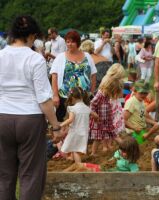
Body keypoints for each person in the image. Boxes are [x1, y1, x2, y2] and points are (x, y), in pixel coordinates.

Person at [0, 15, 63, 200]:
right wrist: (56, 126)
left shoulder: (0, 56)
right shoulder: (35, 59)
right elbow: (44, 98)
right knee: (31, 175)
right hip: (30, 119)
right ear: (31, 35)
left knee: (4, 175)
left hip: (3, 116)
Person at [50, 30, 97, 122]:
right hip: (65, 97)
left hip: (83, 98)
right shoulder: (60, 57)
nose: (70, 44)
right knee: (64, 122)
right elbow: (54, 76)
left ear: (78, 43)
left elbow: (94, 75)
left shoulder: (87, 56)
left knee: (81, 123)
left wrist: (91, 93)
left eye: (72, 41)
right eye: (68, 42)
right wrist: (55, 95)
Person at [60, 87, 98, 163]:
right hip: (84, 133)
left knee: (74, 150)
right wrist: (96, 121)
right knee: (75, 148)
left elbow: (70, 119)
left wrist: (61, 125)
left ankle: (79, 165)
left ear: (72, 98)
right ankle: (73, 159)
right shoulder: (86, 108)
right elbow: (96, 116)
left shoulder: (72, 108)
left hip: (75, 132)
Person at [90, 70, 124, 154]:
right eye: (112, 92)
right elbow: (91, 105)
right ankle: (93, 153)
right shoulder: (100, 94)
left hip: (107, 120)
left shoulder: (107, 95)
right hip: (98, 121)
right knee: (97, 138)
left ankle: (126, 147)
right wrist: (94, 114)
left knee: (114, 135)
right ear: (109, 88)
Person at [64, 136, 140, 172]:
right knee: (77, 165)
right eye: (121, 150)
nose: (121, 152)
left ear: (132, 152)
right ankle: (61, 174)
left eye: (124, 152)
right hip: (103, 168)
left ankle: (69, 178)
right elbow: (108, 164)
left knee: (82, 169)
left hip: (107, 175)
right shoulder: (118, 153)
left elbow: (136, 177)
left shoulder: (131, 164)